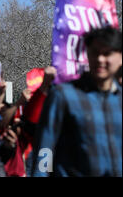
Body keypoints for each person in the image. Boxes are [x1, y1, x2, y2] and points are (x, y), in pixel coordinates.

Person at [31, 26, 122, 177]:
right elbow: (44, 149)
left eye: (107, 53)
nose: (100, 59)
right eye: (95, 53)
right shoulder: (63, 95)